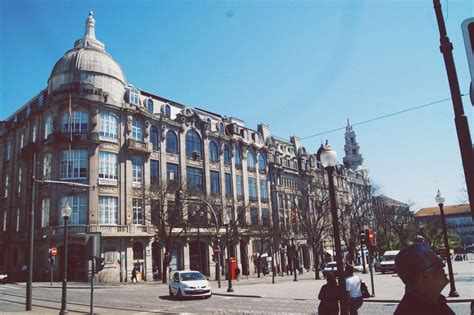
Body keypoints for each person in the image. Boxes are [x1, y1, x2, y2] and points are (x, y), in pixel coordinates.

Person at [394, 243, 454, 315]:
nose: (443, 265)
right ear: (424, 276)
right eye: (438, 263)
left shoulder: (435, 302)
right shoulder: (412, 311)